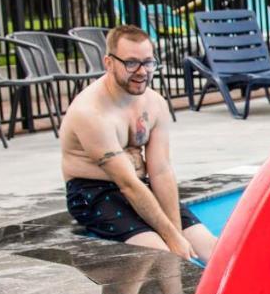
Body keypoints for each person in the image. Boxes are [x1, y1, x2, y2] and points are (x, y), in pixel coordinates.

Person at [60, 25, 216, 262]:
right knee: (162, 256)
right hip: (93, 193)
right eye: (131, 63)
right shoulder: (90, 113)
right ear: (109, 63)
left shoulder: (154, 103)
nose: (142, 71)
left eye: (148, 62)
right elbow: (127, 184)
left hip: (140, 185)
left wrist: (176, 231)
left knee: (215, 250)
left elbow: (161, 171)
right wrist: (172, 240)